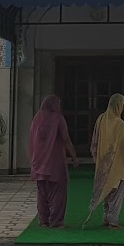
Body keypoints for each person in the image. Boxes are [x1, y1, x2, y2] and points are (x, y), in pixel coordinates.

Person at [28, 95, 77, 229]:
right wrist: (74, 156)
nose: (59, 106)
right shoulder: (57, 118)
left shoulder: (37, 118)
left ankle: (43, 220)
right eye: (58, 103)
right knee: (57, 193)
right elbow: (66, 139)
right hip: (54, 162)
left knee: (42, 192)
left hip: (38, 162)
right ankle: (56, 221)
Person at [89, 93, 124, 230]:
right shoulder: (120, 123)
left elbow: (94, 143)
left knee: (107, 191)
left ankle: (106, 218)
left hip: (103, 163)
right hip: (117, 165)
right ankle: (113, 221)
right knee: (117, 194)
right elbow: (122, 147)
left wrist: (98, 159)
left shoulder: (101, 119)